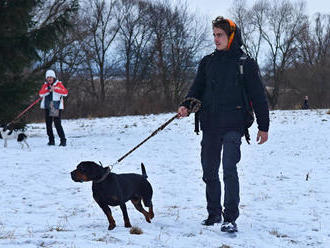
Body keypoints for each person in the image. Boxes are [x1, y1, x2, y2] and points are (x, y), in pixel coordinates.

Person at [177, 17, 269, 233]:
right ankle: (214, 213)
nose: (216, 39)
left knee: (229, 168)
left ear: (231, 36)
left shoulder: (245, 63)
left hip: (233, 125)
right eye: (214, 35)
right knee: (209, 171)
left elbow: (259, 96)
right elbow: (196, 89)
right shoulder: (207, 62)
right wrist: (186, 106)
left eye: (220, 35)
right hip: (209, 123)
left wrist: (263, 126)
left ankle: (230, 218)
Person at [39, 69, 68, 146]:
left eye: (51, 77)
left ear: (54, 77)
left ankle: (63, 140)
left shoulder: (58, 84)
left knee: (57, 124)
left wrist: (54, 89)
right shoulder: (45, 85)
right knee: (48, 125)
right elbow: (41, 94)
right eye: (48, 77)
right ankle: (51, 141)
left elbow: (65, 92)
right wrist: (48, 90)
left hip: (55, 106)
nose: (49, 79)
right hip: (47, 106)